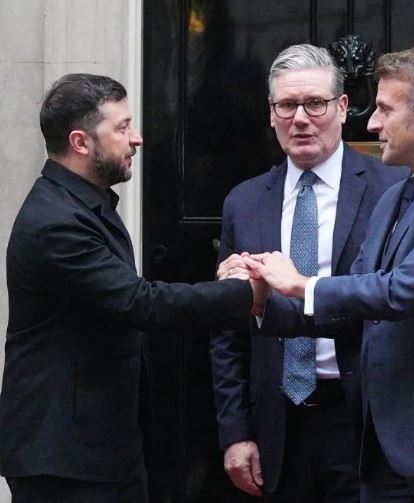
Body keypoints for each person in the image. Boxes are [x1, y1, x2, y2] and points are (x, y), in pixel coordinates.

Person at [245, 46, 414, 503]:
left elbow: (403, 290)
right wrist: (261, 302)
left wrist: (300, 283)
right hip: (385, 447)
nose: (372, 124)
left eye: (385, 109)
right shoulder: (396, 195)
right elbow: (353, 304)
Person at [0, 74, 257, 502]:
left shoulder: (83, 202)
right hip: (64, 458)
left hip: (102, 447)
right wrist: (244, 292)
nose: (137, 138)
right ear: (81, 142)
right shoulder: (56, 222)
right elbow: (140, 303)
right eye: (121, 128)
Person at [210, 44, 406, 502]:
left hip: (364, 419)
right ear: (271, 113)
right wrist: (235, 432)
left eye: (315, 103)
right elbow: (228, 330)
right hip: (277, 421)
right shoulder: (244, 201)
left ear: (342, 108)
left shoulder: (392, 189)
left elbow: (398, 299)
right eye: (286, 105)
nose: (300, 118)